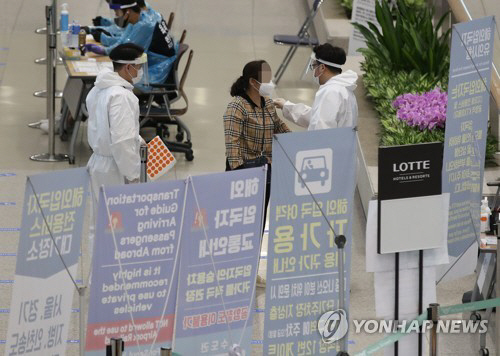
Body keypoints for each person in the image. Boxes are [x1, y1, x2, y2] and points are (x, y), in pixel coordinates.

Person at [224, 60, 291, 287]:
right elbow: (232, 148)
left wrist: (300, 142)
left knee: (259, 222)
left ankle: (250, 272)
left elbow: (279, 126)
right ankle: (235, 271)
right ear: (253, 82)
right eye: (267, 79)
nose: (271, 83)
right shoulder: (236, 107)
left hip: (267, 170)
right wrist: (243, 178)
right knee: (241, 226)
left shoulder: (268, 104)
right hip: (244, 174)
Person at [86, 43, 146, 193]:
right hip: (116, 169)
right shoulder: (121, 97)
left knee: (100, 213)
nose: (141, 72)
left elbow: (105, 126)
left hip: (99, 165)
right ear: (128, 68)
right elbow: (121, 141)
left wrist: (137, 139)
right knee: (117, 215)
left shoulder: (99, 88)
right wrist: (133, 175)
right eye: (139, 67)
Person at [85, 0, 177, 85]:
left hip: (155, 74)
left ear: (128, 12)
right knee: (108, 76)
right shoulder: (142, 17)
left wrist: (103, 50)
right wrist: (103, 46)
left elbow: (126, 49)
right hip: (149, 66)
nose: (117, 16)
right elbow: (124, 40)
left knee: (108, 81)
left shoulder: (145, 25)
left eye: (118, 13)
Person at [274, 44, 359, 130]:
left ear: (322, 67)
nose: (313, 72)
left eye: (314, 66)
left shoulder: (331, 92)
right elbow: (315, 116)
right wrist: (286, 105)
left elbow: (321, 129)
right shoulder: (342, 89)